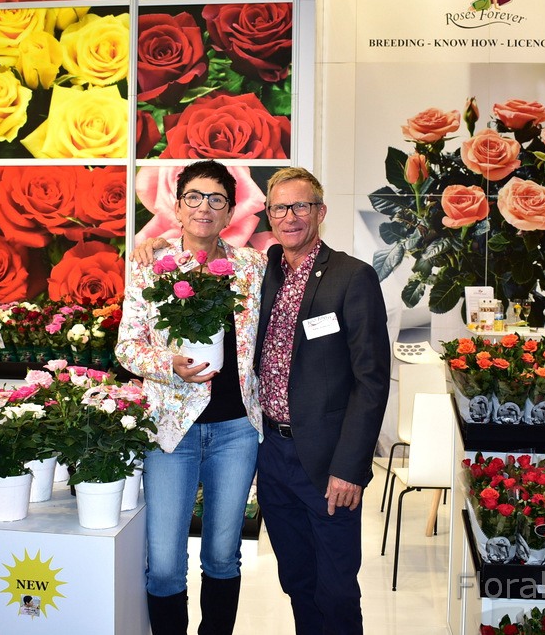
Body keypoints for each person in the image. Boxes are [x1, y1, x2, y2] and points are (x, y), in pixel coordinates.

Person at [115, 160, 265, 635]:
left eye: (217, 199)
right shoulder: (151, 265)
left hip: (237, 430)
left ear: (230, 213)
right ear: (177, 208)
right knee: (163, 563)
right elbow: (126, 347)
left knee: (223, 554)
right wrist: (168, 365)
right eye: (194, 198)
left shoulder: (253, 267)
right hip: (171, 428)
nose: (205, 207)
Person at [254, 167, 389, 635]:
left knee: (336, 589)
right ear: (269, 215)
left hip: (329, 462)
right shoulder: (264, 272)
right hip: (273, 455)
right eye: (280, 207)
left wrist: (350, 466)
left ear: (320, 211)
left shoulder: (352, 276)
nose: (290, 216)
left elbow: (371, 381)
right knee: (297, 579)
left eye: (301, 206)